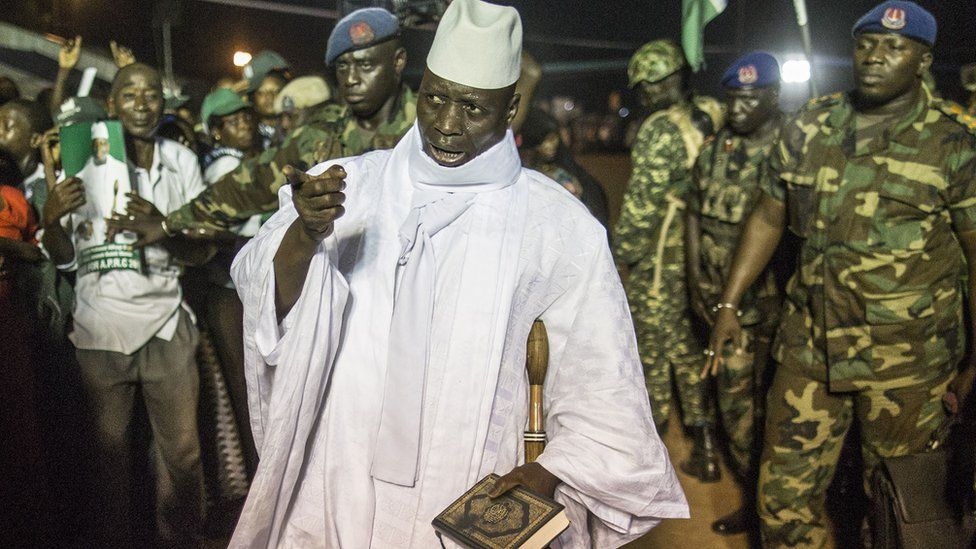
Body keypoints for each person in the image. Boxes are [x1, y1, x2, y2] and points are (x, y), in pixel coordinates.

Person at [230, 0, 688, 546]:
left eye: (473, 108)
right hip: (338, 476)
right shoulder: (352, 185)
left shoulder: (556, 225)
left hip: (469, 482)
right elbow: (266, 300)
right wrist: (304, 236)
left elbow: (600, 379)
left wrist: (551, 471)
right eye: (436, 99)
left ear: (512, 107)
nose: (447, 125)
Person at [705, 3, 976, 546]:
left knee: (902, 508)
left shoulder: (954, 143)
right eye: (866, 44)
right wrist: (730, 306)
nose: (876, 57)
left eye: (894, 47)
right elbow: (767, 213)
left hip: (909, 364)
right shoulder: (812, 123)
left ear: (923, 60)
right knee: (781, 502)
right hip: (810, 347)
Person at [43, 63, 210, 547]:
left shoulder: (181, 160)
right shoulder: (81, 162)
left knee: (183, 455)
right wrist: (52, 220)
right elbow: (66, 261)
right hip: (100, 329)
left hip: (166, 323)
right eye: (129, 94)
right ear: (111, 106)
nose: (142, 103)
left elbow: (202, 250)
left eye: (152, 94)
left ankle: (182, 539)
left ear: (163, 103)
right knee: (109, 456)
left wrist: (165, 225)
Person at [134, 8, 417, 243]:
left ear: (398, 61)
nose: (352, 79)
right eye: (343, 68)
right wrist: (168, 225)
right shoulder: (325, 130)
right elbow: (249, 184)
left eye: (365, 65)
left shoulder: (428, 127)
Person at [613, 39, 724, 481]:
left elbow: (643, 206)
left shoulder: (659, 130)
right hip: (709, 258)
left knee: (653, 354)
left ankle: (650, 452)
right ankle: (708, 447)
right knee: (692, 349)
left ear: (652, 86)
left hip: (664, 260)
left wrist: (621, 255)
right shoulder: (712, 113)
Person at [686, 52, 784, 536]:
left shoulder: (793, 147)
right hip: (723, 308)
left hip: (774, 309)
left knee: (777, 413)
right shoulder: (713, 149)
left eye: (751, 98)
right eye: (733, 99)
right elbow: (692, 213)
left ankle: (774, 507)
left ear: (773, 96)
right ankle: (753, 500)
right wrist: (693, 280)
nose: (740, 108)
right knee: (737, 408)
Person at [519, 108, 610, 228]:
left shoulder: (569, 175)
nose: (549, 145)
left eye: (552, 138)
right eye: (542, 140)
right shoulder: (524, 177)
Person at [243, 50, 292, 149]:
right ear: (252, 98)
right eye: (261, 92)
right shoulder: (247, 138)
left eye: (276, 91)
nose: (269, 97)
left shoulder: (298, 129)